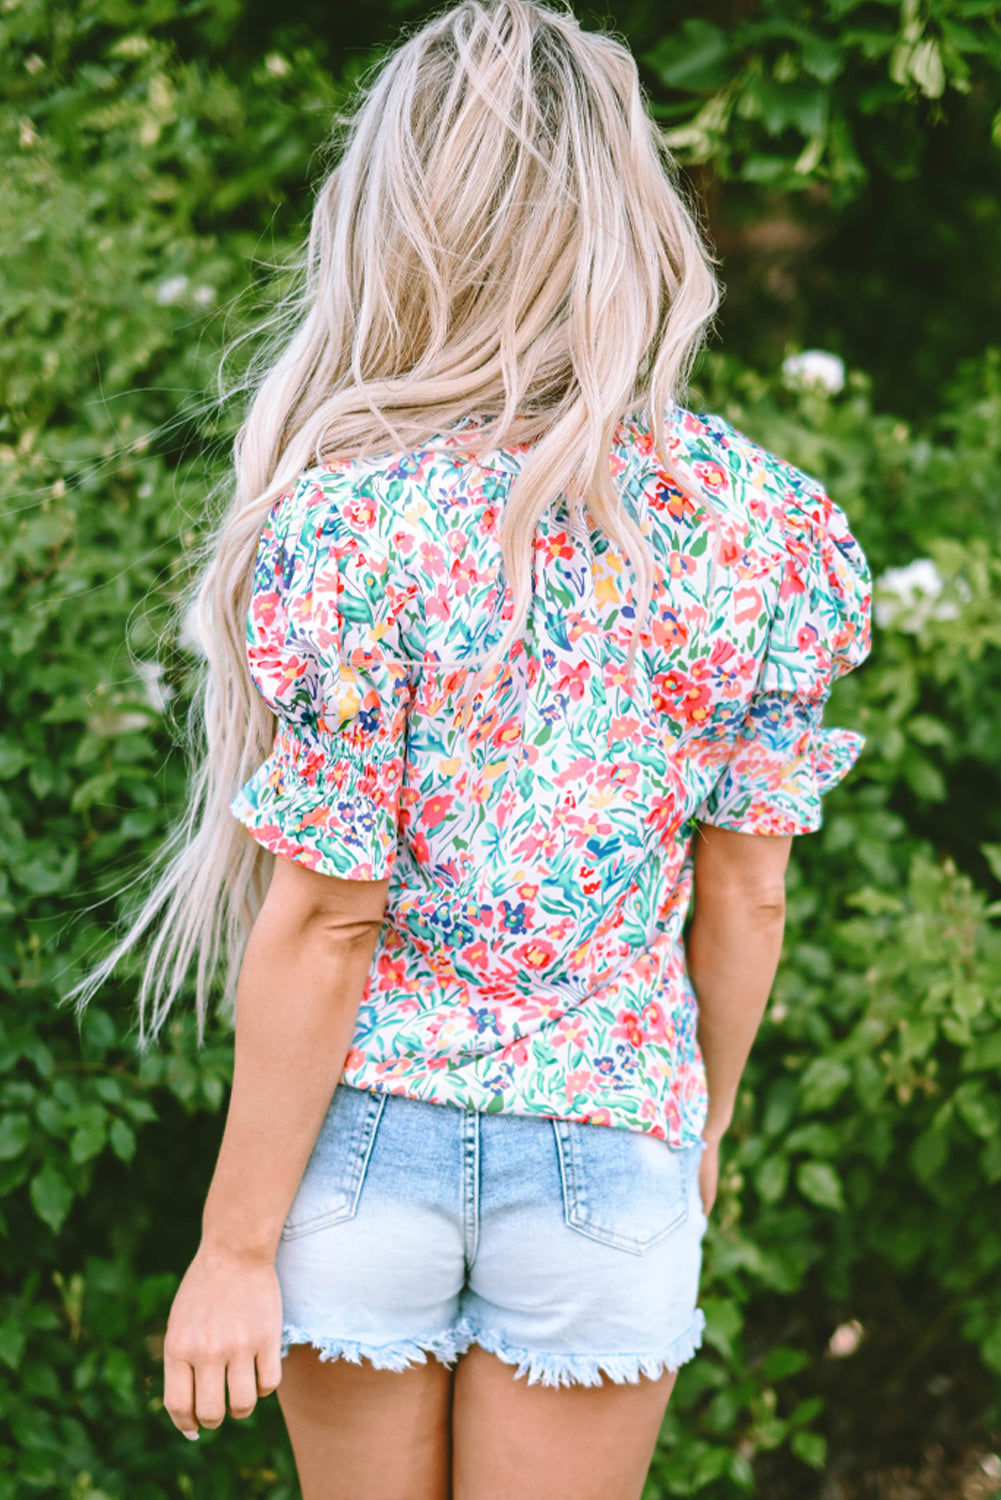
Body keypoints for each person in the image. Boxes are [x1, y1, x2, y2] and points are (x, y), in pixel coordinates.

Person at [73, 1, 872, 1495]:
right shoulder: (765, 528)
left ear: (401, 220)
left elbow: (326, 919)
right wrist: (697, 1122)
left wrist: (232, 1249)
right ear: (634, 217)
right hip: (610, 1149)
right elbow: (746, 894)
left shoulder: (350, 524)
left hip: (360, 1153)